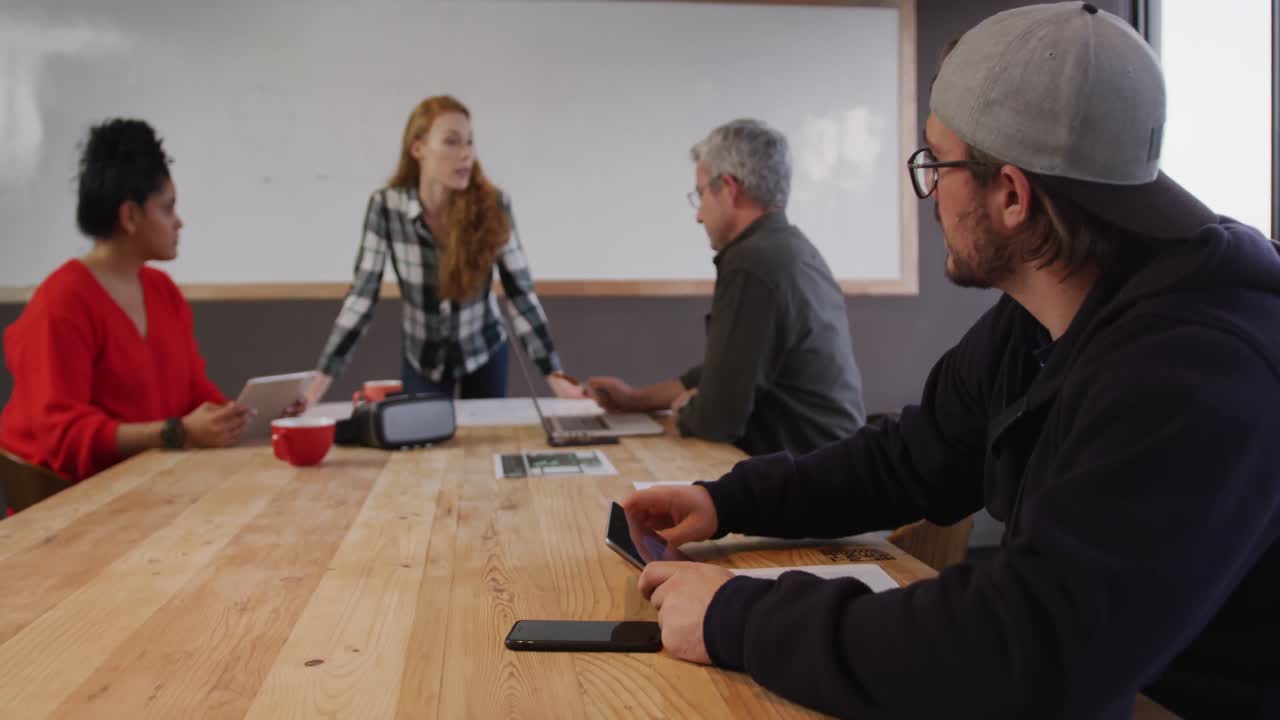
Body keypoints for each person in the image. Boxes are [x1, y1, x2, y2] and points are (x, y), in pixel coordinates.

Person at [624, 4, 1280, 718]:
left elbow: (1024, 653)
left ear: (1010, 195)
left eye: (937, 164)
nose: (929, 192)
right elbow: (906, 459)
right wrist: (728, 501)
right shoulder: (1041, 318)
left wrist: (737, 618)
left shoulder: (1199, 371)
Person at [588, 119, 864, 456]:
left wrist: (689, 408)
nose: (699, 216)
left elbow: (717, 419)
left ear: (729, 188)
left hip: (810, 485)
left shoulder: (753, 263)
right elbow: (729, 366)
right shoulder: (790, 249)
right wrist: (635, 400)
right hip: (830, 467)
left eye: (701, 194)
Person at [1, 119, 253, 486]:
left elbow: (194, 394)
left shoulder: (162, 291)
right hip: (66, 505)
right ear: (130, 216)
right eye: (168, 208)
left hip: (142, 487)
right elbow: (64, 438)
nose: (179, 223)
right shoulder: (62, 302)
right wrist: (176, 433)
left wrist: (247, 414)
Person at [308, 96, 582, 401]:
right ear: (418, 149)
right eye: (452, 142)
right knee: (424, 442)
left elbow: (521, 295)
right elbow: (361, 299)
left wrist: (556, 378)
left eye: (469, 142)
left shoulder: (493, 205)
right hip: (422, 359)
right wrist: (315, 387)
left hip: (484, 352)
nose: (466, 154)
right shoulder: (385, 207)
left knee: (484, 446)